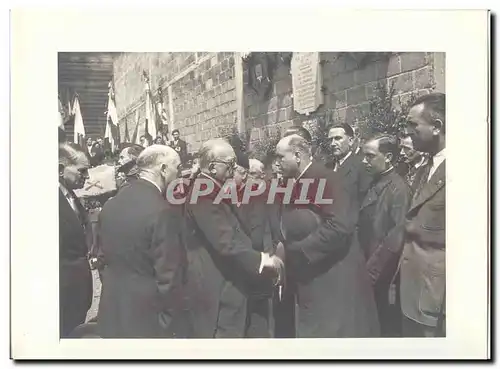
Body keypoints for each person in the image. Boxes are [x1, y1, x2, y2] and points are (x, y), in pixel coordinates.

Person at [275, 135, 380, 337]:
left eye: (280, 157)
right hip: (312, 277)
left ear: (297, 155)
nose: (276, 162)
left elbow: (340, 226)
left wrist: (295, 251)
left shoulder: (326, 179)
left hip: (334, 278)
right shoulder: (294, 182)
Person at [183, 138, 284, 338]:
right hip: (217, 286)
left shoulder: (212, 188)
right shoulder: (203, 192)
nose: (234, 168)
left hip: (226, 282)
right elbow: (225, 241)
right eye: (229, 163)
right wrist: (263, 260)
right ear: (212, 167)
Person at [97, 145, 187, 338]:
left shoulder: (111, 204)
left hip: (112, 310)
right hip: (147, 318)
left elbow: (102, 260)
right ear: (163, 169)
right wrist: (168, 323)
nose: (179, 175)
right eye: (177, 168)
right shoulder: (162, 211)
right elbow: (168, 275)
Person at [399, 92, 446, 337]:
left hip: (438, 302)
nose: (408, 133)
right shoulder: (423, 168)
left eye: (413, 125)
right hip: (412, 296)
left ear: (437, 127)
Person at [358, 134, 411, 336]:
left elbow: (395, 238)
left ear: (388, 156)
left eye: (370, 156)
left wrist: (369, 273)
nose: (364, 161)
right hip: (368, 270)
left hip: (383, 277)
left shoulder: (398, 190)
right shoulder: (375, 182)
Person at [58, 143, 93, 337]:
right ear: (60, 169)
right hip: (62, 295)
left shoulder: (70, 196)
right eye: (82, 171)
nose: (87, 176)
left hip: (77, 293)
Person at [327, 123, 371, 226]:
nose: (332, 143)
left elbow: (365, 207)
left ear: (351, 141)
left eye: (338, 138)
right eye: (330, 140)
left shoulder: (361, 167)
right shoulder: (326, 167)